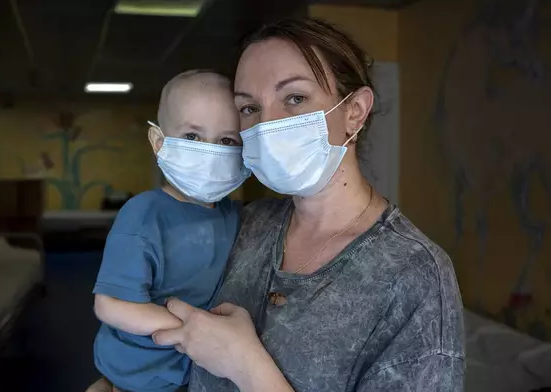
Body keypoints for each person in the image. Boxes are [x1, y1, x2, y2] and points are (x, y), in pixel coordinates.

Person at [88, 17, 465, 392]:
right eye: (249, 108)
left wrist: (247, 366)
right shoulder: (246, 223)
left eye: (295, 98)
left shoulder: (412, 275)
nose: (268, 125)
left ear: (354, 112)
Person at [90, 70, 250, 392]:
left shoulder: (234, 215)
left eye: (227, 140)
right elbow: (109, 305)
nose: (211, 151)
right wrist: (192, 326)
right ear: (160, 142)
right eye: (192, 137)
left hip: (192, 370)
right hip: (137, 370)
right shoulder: (143, 215)